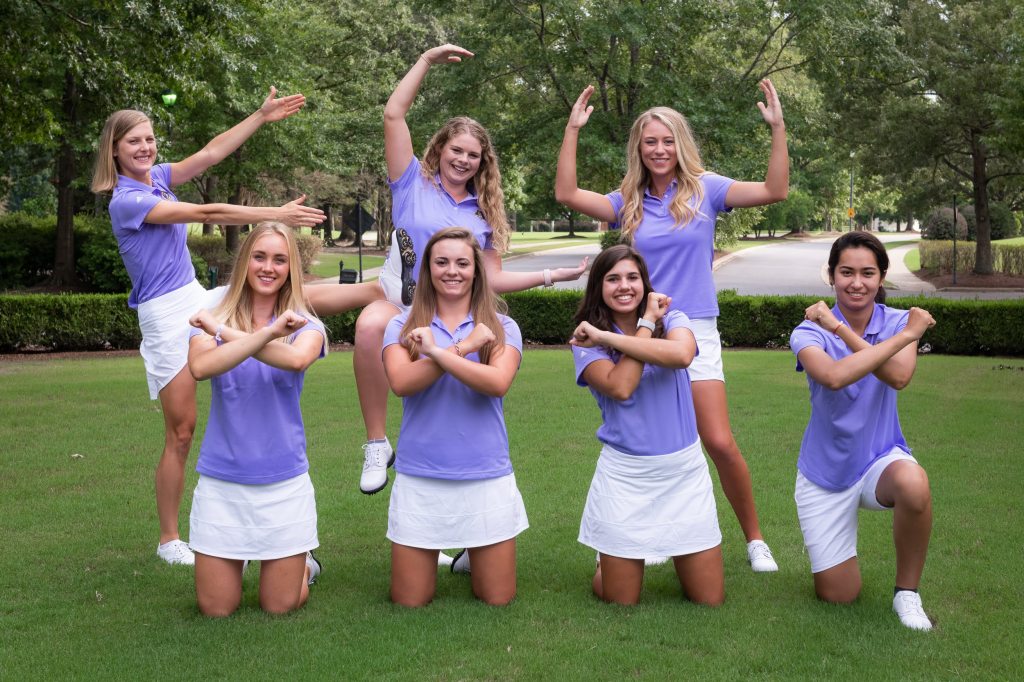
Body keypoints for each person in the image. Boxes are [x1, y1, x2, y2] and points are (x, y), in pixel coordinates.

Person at [91, 89, 339, 565]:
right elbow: (205, 214)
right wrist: (275, 215)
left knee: (295, 295)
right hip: (166, 313)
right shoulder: (127, 200)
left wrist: (260, 115)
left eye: (149, 139)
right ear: (115, 150)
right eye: (134, 141)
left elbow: (209, 153)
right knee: (182, 431)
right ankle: (169, 540)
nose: (145, 147)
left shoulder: (158, 179)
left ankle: (387, 290)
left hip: (197, 294)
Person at [554, 82, 788, 572]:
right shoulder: (628, 200)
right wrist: (572, 130)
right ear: (639, 149)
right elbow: (566, 194)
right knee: (650, 439)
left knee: (717, 440)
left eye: (667, 141)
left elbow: (775, 190)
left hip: (692, 327)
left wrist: (777, 128)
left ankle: (754, 539)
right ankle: (645, 540)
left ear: (680, 144)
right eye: (650, 142)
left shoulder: (707, 190)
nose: (659, 150)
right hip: (640, 329)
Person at [354, 44, 586, 499]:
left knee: (461, 395)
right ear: (440, 149)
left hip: (455, 314)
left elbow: (492, 280)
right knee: (367, 325)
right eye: (456, 150)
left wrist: (550, 276)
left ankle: (469, 500)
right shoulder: (411, 182)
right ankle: (377, 443)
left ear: (483, 162)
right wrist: (424, 61)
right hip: (405, 303)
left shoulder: (484, 213)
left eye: (473, 155)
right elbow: (393, 115)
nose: (463, 159)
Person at [185, 222, 369, 616]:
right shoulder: (213, 318)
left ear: (290, 269)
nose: (268, 267)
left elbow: (296, 359)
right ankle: (244, 556)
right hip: (222, 481)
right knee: (216, 608)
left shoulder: (304, 324)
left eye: (279, 260)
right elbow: (201, 367)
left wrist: (226, 333)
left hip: (283, 482)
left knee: (280, 605)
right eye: (260, 257)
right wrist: (255, 333)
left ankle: (305, 565)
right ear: (245, 262)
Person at [790, 231, 936, 631]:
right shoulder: (809, 330)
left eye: (868, 273)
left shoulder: (897, 321)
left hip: (879, 460)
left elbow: (899, 376)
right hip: (825, 473)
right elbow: (834, 377)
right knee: (839, 594)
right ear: (831, 276)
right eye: (847, 272)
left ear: (882, 277)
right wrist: (842, 328)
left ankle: (907, 593)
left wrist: (845, 328)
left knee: (914, 483)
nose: (857, 283)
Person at [570, 245, 723, 606]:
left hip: (683, 471)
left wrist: (612, 336)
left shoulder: (673, 318)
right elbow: (622, 385)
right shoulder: (584, 341)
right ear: (599, 287)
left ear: (645, 283)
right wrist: (643, 327)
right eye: (613, 279)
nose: (624, 286)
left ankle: (652, 548)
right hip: (626, 476)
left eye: (632, 277)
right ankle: (607, 560)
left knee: (709, 599)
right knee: (620, 599)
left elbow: (681, 355)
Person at [381, 227, 526, 606]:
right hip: (420, 476)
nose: (452, 271)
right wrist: (464, 348)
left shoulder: (501, 327)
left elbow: (497, 383)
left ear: (476, 270)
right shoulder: (402, 325)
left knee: (496, 598)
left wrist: (439, 352)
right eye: (441, 262)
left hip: (485, 474)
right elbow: (401, 382)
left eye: (462, 263)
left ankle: (471, 554)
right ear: (427, 269)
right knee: (410, 600)